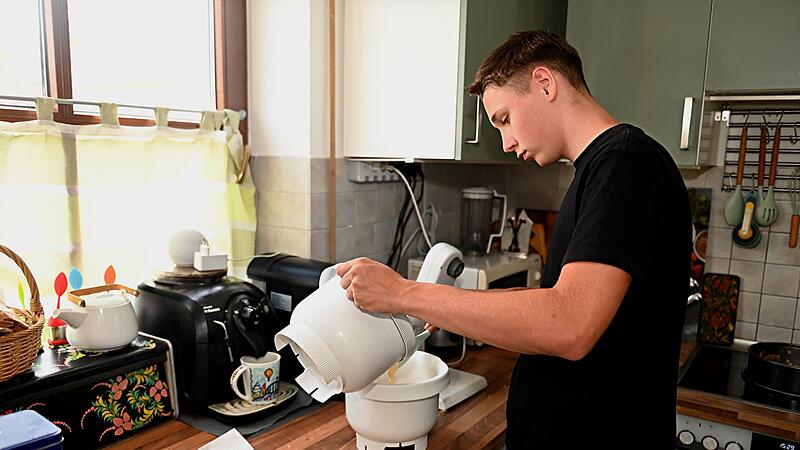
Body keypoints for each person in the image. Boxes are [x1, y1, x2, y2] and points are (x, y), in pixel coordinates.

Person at [336, 30, 691, 448]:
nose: (506, 142)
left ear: (545, 83)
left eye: (504, 118)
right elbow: (566, 306)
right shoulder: (603, 168)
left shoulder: (624, 164)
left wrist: (404, 293)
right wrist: (453, 307)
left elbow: (569, 323)